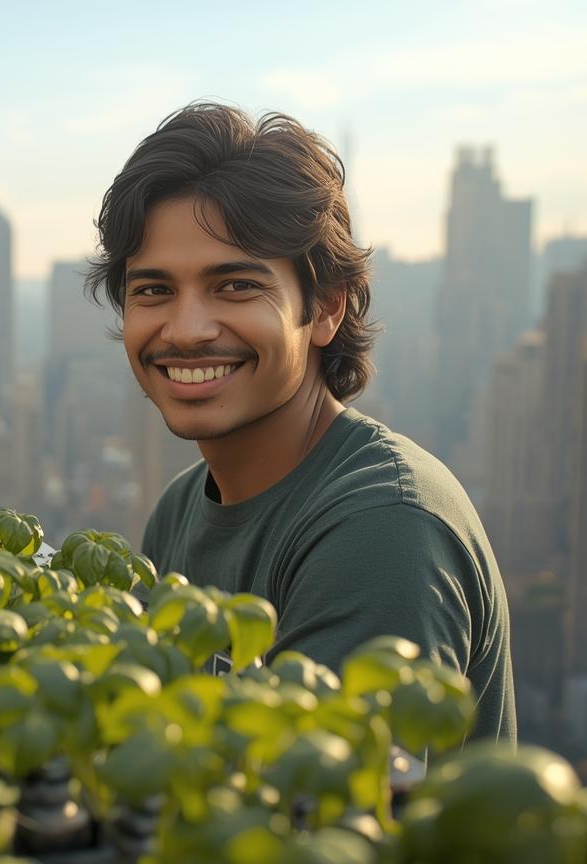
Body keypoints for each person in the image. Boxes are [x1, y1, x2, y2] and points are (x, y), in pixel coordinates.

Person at [88, 103, 516, 742]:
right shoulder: (181, 509)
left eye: (235, 286)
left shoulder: (383, 531)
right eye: (153, 291)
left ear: (326, 308)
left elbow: (316, 797)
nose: (186, 329)